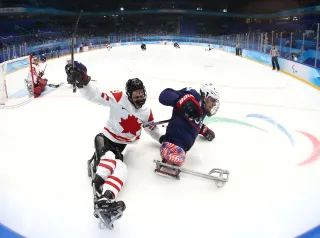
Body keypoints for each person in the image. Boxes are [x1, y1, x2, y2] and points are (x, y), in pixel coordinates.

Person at [65, 61, 162, 227]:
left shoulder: (146, 112)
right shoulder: (118, 98)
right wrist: (85, 82)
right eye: (136, 95)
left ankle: (107, 197)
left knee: (122, 168)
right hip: (105, 139)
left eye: (141, 94)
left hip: (120, 148)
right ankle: (98, 187)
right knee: (109, 159)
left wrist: (162, 139)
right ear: (129, 95)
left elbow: (152, 129)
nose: (140, 97)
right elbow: (96, 95)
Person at [157, 83, 219, 173]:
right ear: (205, 96)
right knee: (176, 156)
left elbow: (194, 122)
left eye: (215, 101)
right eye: (213, 100)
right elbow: (164, 95)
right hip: (173, 142)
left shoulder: (203, 110)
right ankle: (168, 150)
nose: (214, 104)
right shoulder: (192, 95)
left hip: (184, 147)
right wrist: (184, 101)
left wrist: (204, 130)